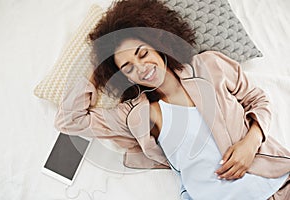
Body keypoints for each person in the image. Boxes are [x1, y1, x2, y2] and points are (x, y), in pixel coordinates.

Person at [54, 0, 290, 199]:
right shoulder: (136, 114)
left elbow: (258, 100)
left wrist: (250, 143)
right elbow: (69, 120)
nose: (142, 68)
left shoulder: (209, 65)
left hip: (274, 182)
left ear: (157, 45)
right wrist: (98, 70)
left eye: (143, 53)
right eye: (127, 68)